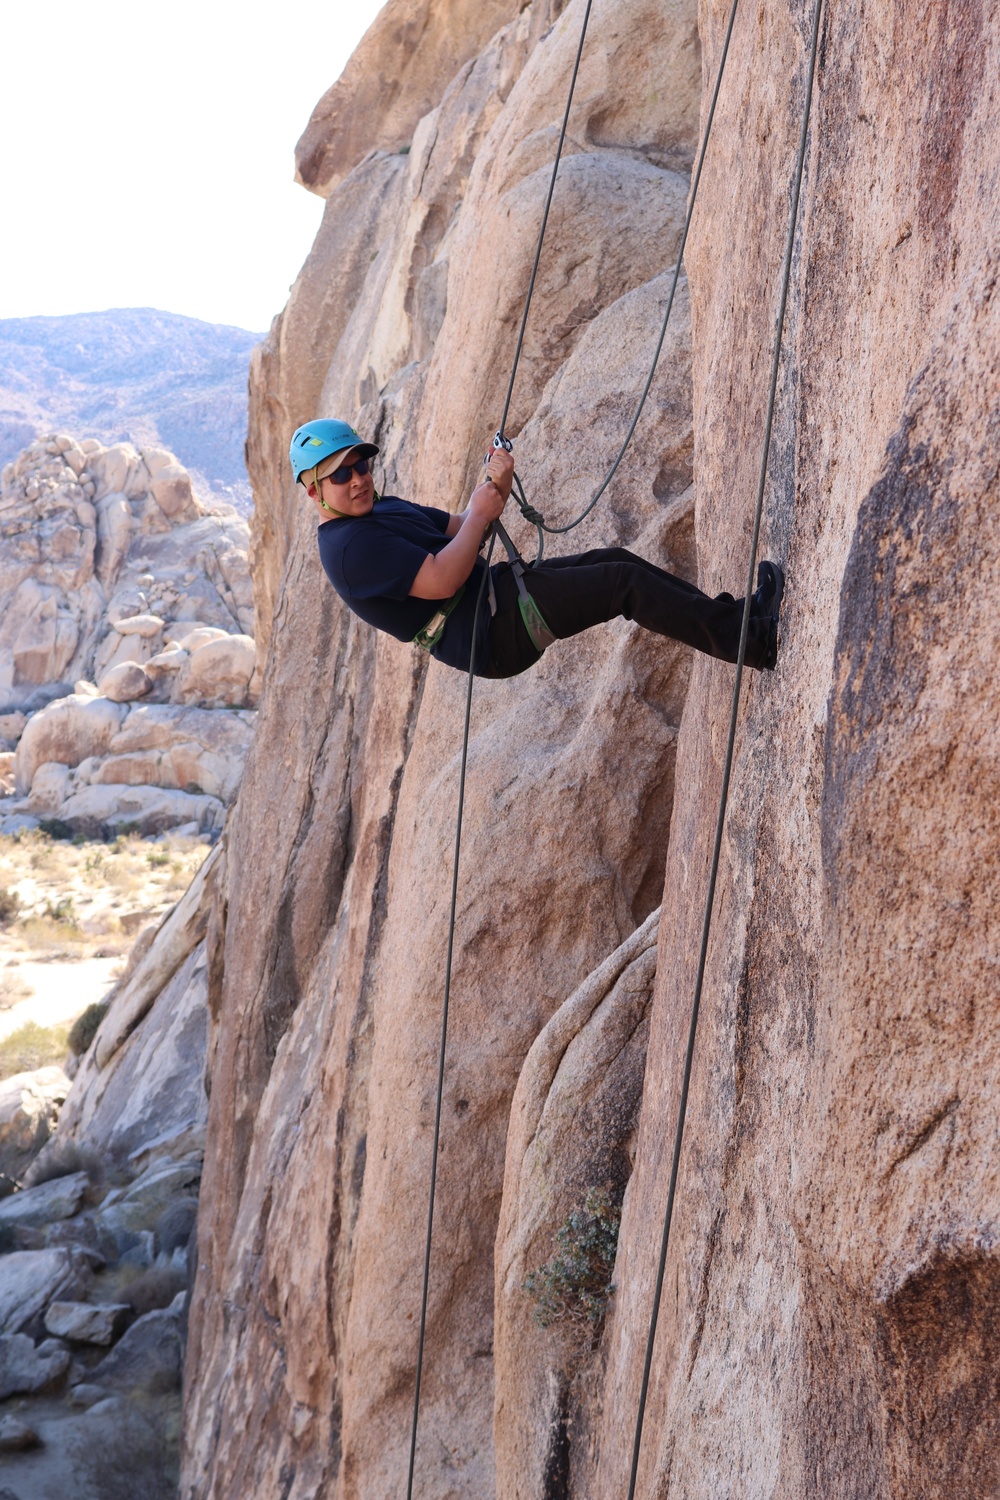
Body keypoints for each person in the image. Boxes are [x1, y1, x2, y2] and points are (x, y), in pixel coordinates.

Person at [289, 418, 784, 678]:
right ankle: (751, 642)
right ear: (313, 489)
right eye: (341, 474)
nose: (357, 480)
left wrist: (494, 482)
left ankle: (739, 622)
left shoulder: (378, 509)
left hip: (497, 599)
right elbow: (441, 577)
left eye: (362, 467)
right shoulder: (349, 549)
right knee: (622, 585)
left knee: (616, 563)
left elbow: (461, 527)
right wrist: (483, 511)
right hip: (494, 633)